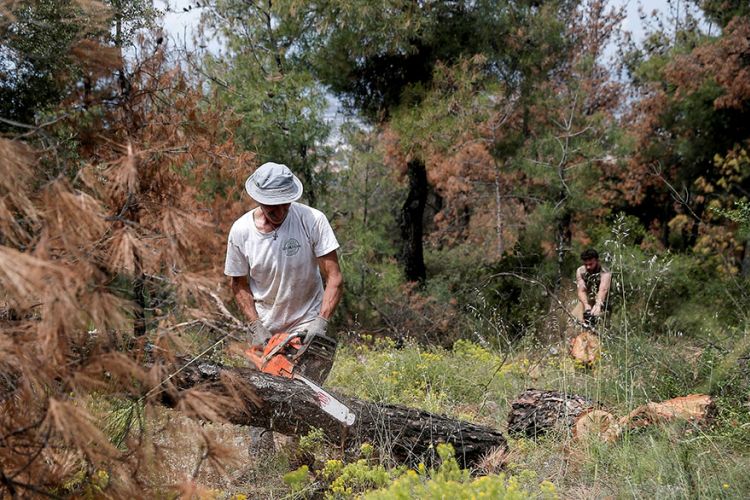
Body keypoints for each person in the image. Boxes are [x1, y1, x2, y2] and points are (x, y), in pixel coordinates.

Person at [224, 162, 343, 457]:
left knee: (303, 405)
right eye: (270, 205)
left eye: (282, 204)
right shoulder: (241, 231)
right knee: (258, 407)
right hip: (267, 327)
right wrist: (256, 327)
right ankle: (261, 472)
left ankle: (300, 464)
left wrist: (320, 323)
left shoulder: (312, 220)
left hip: (307, 323)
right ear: (259, 199)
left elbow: (335, 277)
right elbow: (238, 284)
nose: (277, 211)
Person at [575, 248, 611, 325]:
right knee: (575, 319)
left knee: (599, 321)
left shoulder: (605, 272)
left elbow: (603, 290)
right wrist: (586, 305)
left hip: (603, 301)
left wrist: (598, 305)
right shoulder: (581, 271)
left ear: (597, 261)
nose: (588, 267)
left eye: (591, 264)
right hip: (588, 299)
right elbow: (581, 290)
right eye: (586, 264)